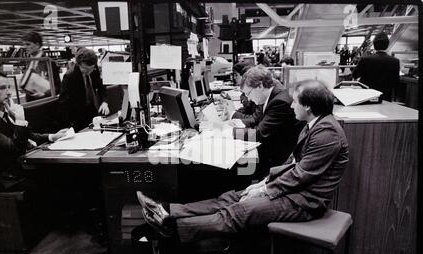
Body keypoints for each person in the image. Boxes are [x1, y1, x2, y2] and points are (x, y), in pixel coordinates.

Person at [136, 80, 349, 243]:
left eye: (296, 101)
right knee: (230, 197)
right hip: (294, 192)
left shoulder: (327, 133)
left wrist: (266, 190)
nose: (291, 105)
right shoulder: (314, 124)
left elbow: (301, 175)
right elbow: (293, 165)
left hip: (305, 202)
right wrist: (263, 183)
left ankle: (170, 227)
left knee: (239, 211)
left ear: (309, 106)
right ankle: (167, 210)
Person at [0, 70, 68, 189]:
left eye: (9, 87)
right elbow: (15, 149)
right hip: (5, 178)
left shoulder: (5, 110)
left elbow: (28, 135)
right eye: (2, 88)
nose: (9, 93)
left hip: (19, 167)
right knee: (55, 176)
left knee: (63, 170)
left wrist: (52, 136)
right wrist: (20, 120)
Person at [229, 66, 302, 173]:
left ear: (260, 86)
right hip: (270, 148)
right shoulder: (273, 96)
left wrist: (230, 132)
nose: (248, 98)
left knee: (224, 167)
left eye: (248, 93)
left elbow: (260, 134)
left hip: (275, 158)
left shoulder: (279, 102)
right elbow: (261, 126)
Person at [59, 48, 109, 131]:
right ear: (78, 64)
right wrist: (68, 126)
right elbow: (63, 103)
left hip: (92, 110)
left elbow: (101, 86)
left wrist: (104, 102)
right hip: (77, 116)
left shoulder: (94, 69)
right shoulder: (69, 77)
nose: (88, 72)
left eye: (91, 69)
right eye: (85, 69)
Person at [352, 32, 400, 101]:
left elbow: (355, 75)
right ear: (387, 45)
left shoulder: (365, 59)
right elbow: (395, 82)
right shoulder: (395, 61)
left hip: (367, 95)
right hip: (385, 97)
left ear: (374, 45)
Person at [21, 31, 61, 101]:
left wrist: (44, 94)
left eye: (28, 44)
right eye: (24, 45)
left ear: (37, 45)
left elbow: (58, 87)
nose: (25, 47)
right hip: (32, 103)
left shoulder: (49, 62)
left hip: (45, 104)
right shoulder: (30, 62)